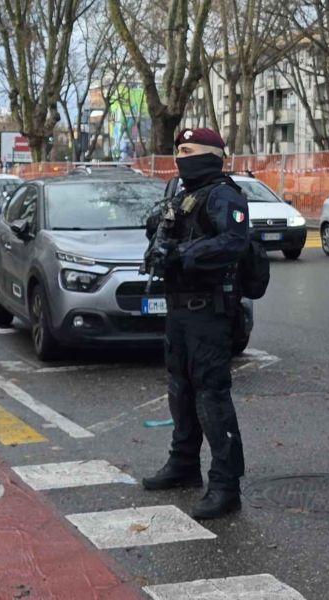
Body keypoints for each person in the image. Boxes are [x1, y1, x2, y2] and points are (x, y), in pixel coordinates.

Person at [142, 127, 249, 519]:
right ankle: (184, 464)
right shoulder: (182, 193)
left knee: (211, 396)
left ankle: (225, 484)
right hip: (180, 310)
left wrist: (183, 254)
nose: (180, 157)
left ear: (209, 154)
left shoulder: (223, 194)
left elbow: (235, 241)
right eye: (178, 150)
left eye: (187, 151)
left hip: (209, 313)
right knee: (180, 391)